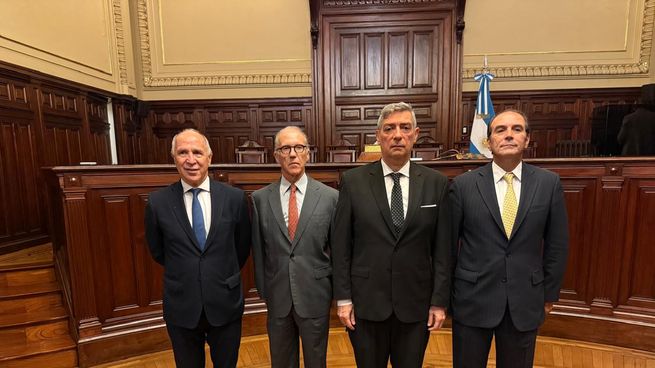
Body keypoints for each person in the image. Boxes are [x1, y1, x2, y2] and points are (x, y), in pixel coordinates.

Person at [331, 102, 451, 367]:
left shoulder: (436, 183)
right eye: (390, 128)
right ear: (378, 136)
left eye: (405, 127)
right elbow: (341, 246)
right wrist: (344, 298)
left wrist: (439, 302)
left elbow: (443, 249)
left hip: (416, 305)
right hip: (365, 304)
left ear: (416, 134)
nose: (398, 135)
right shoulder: (352, 181)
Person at [449, 109, 569, 368]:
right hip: (472, 300)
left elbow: (557, 245)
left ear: (527, 139)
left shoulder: (548, 184)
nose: (509, 135)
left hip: (525, 301)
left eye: (517, 129)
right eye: (500, 130)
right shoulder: (463, 186)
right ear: (489, 141)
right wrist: (447, 297)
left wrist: (548, 294)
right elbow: (447, 248)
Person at [144, 129, 251, 368]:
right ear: (174, 159)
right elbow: (158, 251)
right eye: (183, 153)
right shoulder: (158, 202)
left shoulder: (234, 198)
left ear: (209, 158)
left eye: (197, 152)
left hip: (225, 302)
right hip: (182, 305)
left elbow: (241, 247)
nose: (190, 160)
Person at [251, 126, 338, 368]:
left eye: (299, 147)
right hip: (277, 296)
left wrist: (336, 292)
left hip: (315, 294)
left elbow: (337, 250)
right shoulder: (260, 199)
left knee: (316, 361)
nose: (293, 154)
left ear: (308, 153)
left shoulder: (330, 197)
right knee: (281, 361)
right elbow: (258, 250)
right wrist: (264, 289)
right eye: (285, 148)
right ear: (276, 155)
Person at [618, 83, 655, 156]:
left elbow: (620, 139)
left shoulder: (628, 118)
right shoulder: (653, 117)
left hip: (630, 157)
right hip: (650, 157)